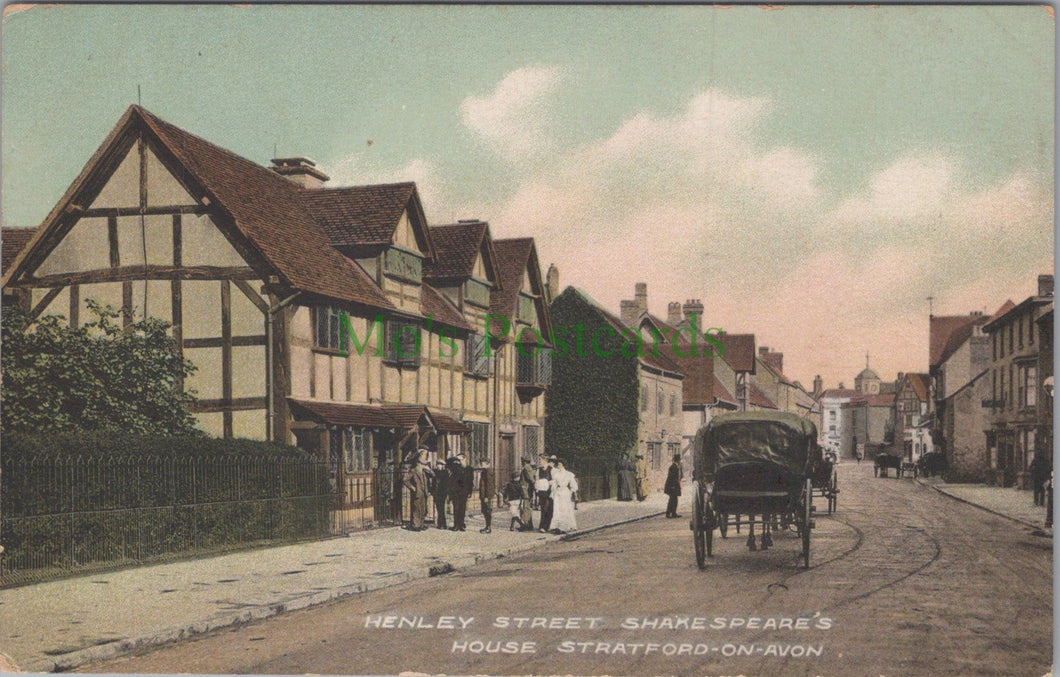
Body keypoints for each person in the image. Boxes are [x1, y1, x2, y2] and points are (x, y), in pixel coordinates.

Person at [403, 449, 430, 531]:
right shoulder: (413, 470)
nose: (422, 465)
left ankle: (421, 524)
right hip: (417, 492)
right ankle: (415, 525)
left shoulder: (424, 472)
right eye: (422, 463)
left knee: (423, 509)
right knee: (416, 509)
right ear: (418, 463)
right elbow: (405, 480)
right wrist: (412, 487)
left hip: (423, 492)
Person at [549, 458, 578, 533]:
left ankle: (565, 526)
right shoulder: (556, 474)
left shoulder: (568, 474)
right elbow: (554, 484)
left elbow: (574, 485)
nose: (558, 466)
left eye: (560, 464)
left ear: (563, 465)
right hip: (558, 492)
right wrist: (553, 492)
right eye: (558, 464)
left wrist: (570, 492)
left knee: (564, 509)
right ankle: (556, 526)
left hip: (565, 492)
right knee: (557, 509)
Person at [447, 454, 472, 531]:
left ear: (465, 459)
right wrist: (455, 458)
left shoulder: (469, 469)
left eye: (461, 459)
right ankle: (456, 525)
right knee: (456, 508)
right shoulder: (455, 468)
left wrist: (470, 491)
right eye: (458, 460)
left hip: (464, 492)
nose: (460, 461)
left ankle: (461, 525)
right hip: (456, 492)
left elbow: (471, 481)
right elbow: (448, 462)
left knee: (462, 508)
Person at [536, 456, 554, 533]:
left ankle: (545, 526)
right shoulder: (539, 469)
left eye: (541, 460)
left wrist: (548, 483)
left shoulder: (551, 469)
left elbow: (554, 480)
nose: (540, 461)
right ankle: (542, 526)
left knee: (548, 509)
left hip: (548, 491)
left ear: (545, 460)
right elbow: (537, 479)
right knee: (543, 508)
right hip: (541, 491)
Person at [430, 459, 449, 529]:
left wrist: (446, 492)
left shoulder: (445, 473)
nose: (438, 466)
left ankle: (442, 524)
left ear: (443, 466)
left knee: (441, 509)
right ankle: (441, 524)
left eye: (440, 465)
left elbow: (446, 484)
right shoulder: (434, 472)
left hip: (442, 493)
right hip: (436, 493)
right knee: (439, 508)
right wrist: (432, 491)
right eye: (437, 464)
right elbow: (433, 483)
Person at [519, 455, 536, 531]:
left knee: (525, 508)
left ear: (524, 461)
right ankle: (529, 525)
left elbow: (531, 479)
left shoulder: (526, 468)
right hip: (527, 491)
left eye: (522, 461)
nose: (521, 462)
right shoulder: (529, 467)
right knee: (527, 508)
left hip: (526, 491)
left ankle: (525, 525)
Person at [478, 462, 496, 533]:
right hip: (485, 495)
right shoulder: (485, 471)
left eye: (482, 464)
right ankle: (487, 526)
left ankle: (488, 527)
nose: (481, 465)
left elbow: (489, 485)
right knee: (485, 511)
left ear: (487, 464)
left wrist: (486, 496)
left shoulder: (487, 472)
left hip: (486, 496)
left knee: (487, 511)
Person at [664, 454, 683, 518]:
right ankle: (668, 513)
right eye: (679, 460)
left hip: (674, 485)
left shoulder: (676, 466)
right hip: (671, 486)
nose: (680, 461)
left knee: (674, 500)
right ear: (677, 460)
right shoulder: (673, 467)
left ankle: (673, 513)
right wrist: (672, 486)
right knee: (672, 500)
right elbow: (671, 477)